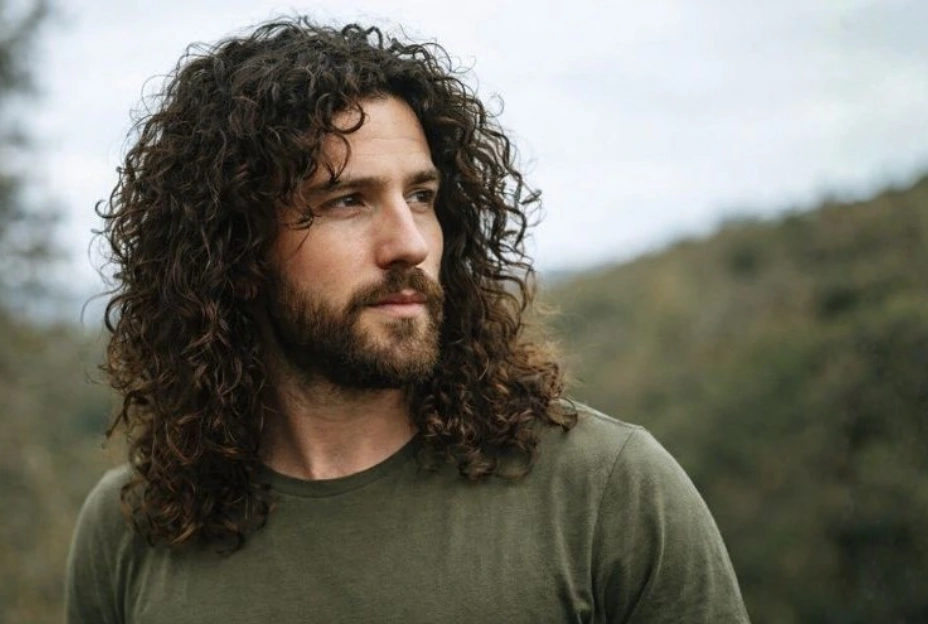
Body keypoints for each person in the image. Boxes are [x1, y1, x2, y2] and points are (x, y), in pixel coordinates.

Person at [67, 17, 749, 623]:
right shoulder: (135, 528)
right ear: (236, 250)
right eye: (346, 201)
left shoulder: (607, 493)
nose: (410, 243)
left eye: (420, 196)